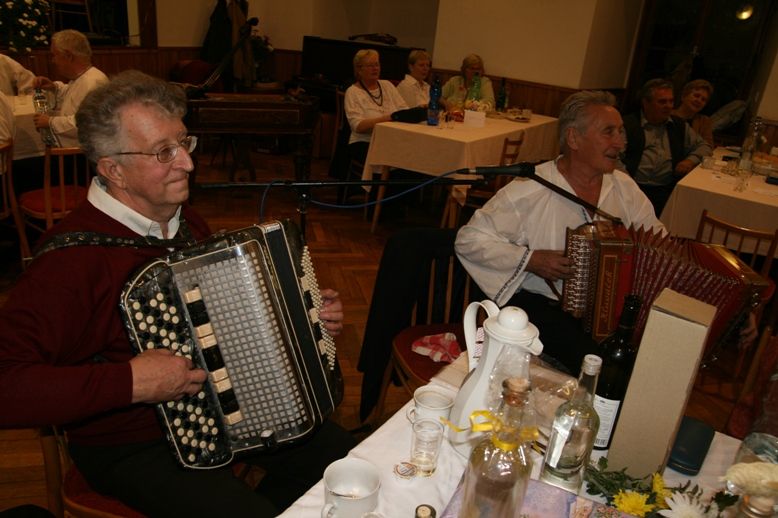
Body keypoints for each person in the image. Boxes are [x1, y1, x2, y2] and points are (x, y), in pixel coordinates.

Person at [0, 70, 353, 517]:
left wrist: (303, 314)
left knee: (347, 464)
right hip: (132, 445)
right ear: (113, 170)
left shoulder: (183, 222)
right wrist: (131, 382)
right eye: (163, 152)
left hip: (229, 408)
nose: (187, 163)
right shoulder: (69, 264)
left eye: (184, 143)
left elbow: (218, 322)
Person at [455, 90, 664, 374]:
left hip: (609, 312)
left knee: (649, 363)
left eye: (621, 132)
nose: (620, 142)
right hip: (544, 307)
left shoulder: (625, 188)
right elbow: (469, 239)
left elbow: (658, 242)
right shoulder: (530, 189)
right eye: (608, 132)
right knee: (603, 367)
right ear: (574, 139)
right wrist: (532, 259)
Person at [621, 78, 711, 216]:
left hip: (664, 190)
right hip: (632, 187)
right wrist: (626, 184)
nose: (668, 106)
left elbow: (704, 146)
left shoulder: (678, 125)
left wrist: (690, 160)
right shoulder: (627, 124)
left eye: (671, 101)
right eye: (662, 102)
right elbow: (614, 158)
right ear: (646, 103)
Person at [31, 30, 108, 148]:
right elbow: (73, 97)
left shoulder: (93, 82)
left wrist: (49, 122)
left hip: (83, 153)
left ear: (68, 56)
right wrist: (54, 87)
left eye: (55, 55)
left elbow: (84, 123)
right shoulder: (82, 78)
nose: (53, 61)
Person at [344, 49, 408, 164]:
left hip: (392, 139)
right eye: (370, 65)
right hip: (364, 142)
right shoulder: (353, 92)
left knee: (412, 155)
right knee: (395, 158)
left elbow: (404, 111)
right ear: (359, 69)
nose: (375, 68)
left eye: (377, 64)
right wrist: (388, 118)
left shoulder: (387, 86)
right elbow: (357, 126)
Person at [672, 79, 715, 147]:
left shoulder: (704, 121)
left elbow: (708, 146)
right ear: (683, 96)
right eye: (696, 96)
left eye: (703, 99)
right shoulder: (667, 115)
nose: (699, 101)